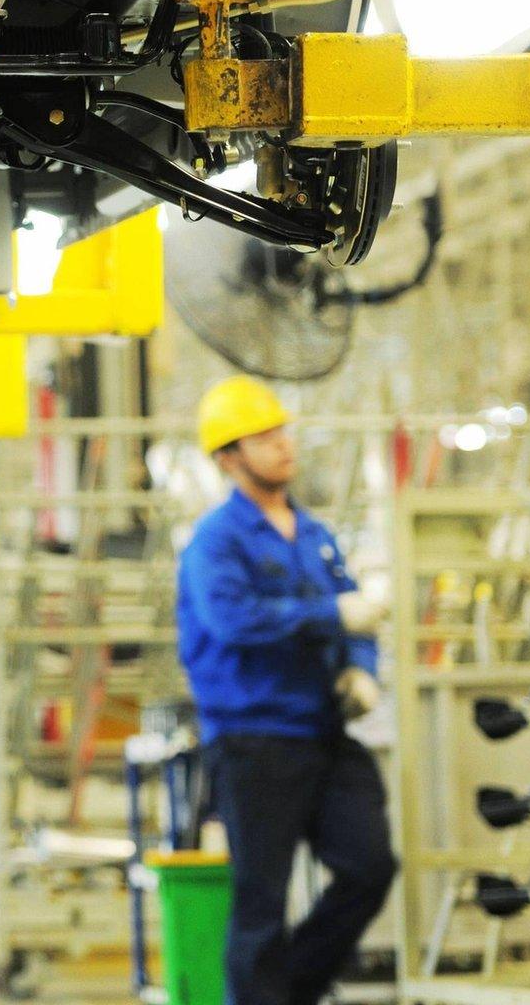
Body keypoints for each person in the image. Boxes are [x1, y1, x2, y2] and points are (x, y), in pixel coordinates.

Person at [176, 377, 398, 1005]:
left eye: (282, 431)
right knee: (261, 907)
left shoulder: (317, 535)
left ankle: (288, 993)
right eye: (264, 435)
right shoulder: (216, 542)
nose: (282, 444)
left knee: (369, 866)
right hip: (253, 741)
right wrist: (333, 618)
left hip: (322, 732)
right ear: (228, 457)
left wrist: (361, 668)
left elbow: (355, 611)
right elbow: (234, 620)